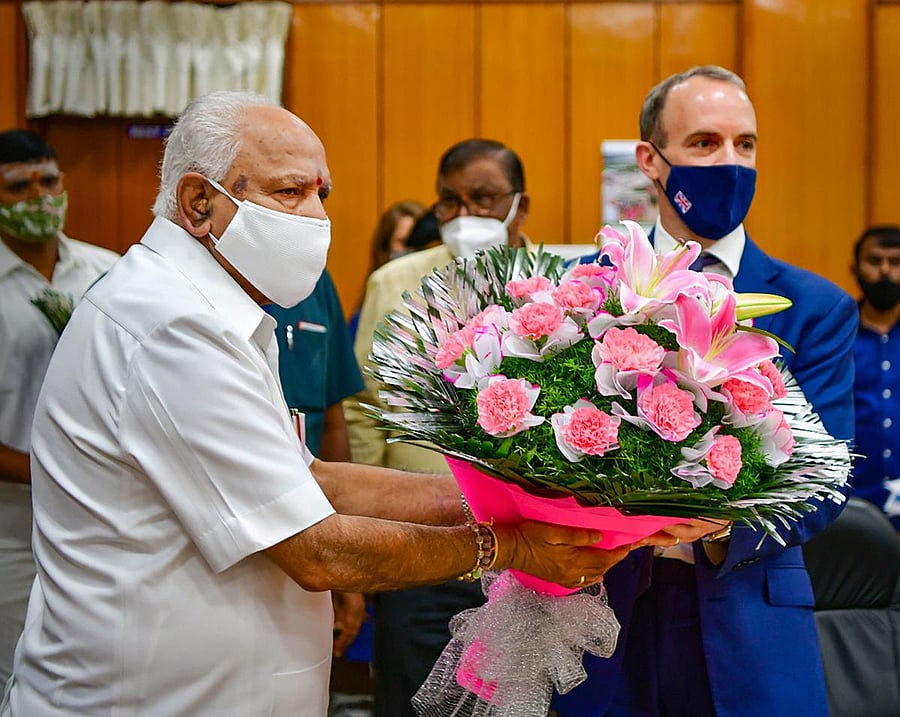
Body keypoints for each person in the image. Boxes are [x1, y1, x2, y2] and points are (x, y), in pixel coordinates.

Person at [0, 91, 642, 717]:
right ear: (199, 201)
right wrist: (506, 546)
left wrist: (507, 498)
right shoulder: (169, 323)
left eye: (320, 194)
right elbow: (317, 550)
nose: (315, 216)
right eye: (288, 192)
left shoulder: (213, 308)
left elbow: (309, 479)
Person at [552, 66, 857, 717]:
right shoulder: (586, 290)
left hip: (750, 622)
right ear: (651, 161)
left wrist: (720, 525)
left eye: (744, 145)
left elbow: (827, 480)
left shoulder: (816, 307)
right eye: (704, 143)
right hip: (605, 625)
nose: (730, 162)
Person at [344, 138, 531, 717]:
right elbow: (363, 410)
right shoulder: (394, 283)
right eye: (449, 201)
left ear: (519, 207)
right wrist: (361, 535)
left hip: (525, 554)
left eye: (483, 198)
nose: (464, 214)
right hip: (414, 542)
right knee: (410, 698)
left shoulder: (560, 288)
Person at [0, 129, 119, 685]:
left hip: (103, 520)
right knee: (19, 674)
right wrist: (55, 469)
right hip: (11, 525)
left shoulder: (109, 272)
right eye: (18, 188)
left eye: (48, 181)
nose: (39, 198)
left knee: (94, 674)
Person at [850, 225, 900, 529]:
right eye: (875, 260)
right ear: (855, 269)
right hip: (852, 501)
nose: (884, 271)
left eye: (895, 262)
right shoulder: (836, 335)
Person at [347, 200, 426, 340]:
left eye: (420, 243)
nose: (414, 251)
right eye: (404, 242)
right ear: (385, 249)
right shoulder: (364, 318)